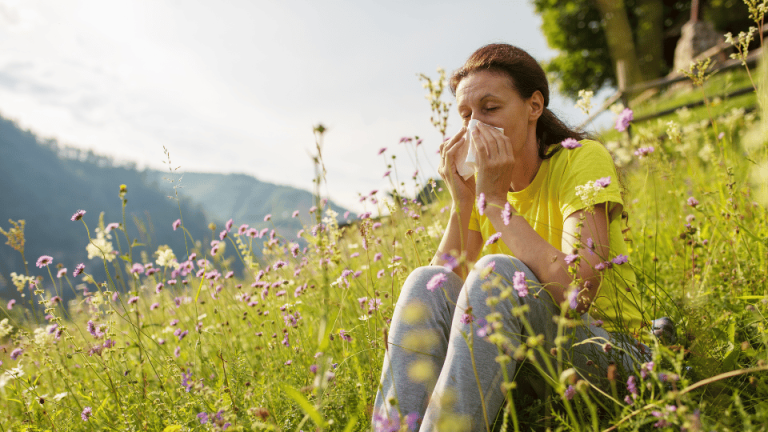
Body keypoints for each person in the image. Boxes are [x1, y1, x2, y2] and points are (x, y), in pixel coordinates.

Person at [373, 44, 648, 431]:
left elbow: (577, 292)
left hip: (609, 355)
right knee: (424, 281)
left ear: (534, 106)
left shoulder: (581, 159)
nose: (474, 126)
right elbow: (441, 295)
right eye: (466, 114)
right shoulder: (481, 192)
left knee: (496, 272)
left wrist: (495, 202)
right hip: (526, 363)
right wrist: (464, 202)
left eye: (490, 108)